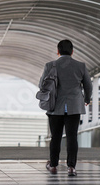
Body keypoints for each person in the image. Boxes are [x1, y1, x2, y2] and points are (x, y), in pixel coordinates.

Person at [38, 39, 93, 176]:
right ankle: (71, 167)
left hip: (55, 107)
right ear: (72, 51)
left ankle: (54, 165)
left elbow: (42, 85)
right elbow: (88, 86)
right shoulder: (81, 66)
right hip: (74, 107)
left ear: (58, 51)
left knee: (55, 137)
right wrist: (86, 99)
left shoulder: (50, 65)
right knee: (72, 137)